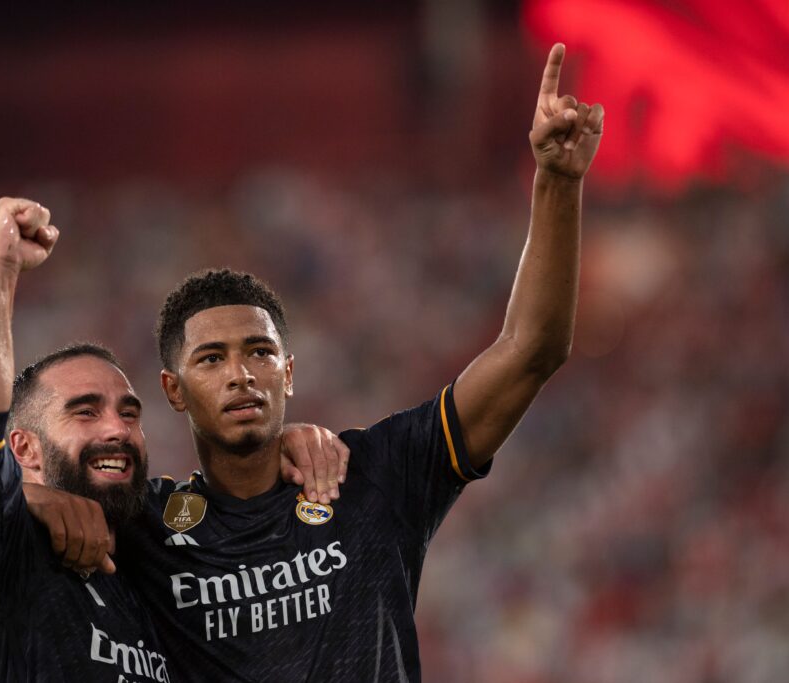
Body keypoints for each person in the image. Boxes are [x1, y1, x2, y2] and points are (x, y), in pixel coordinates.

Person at [114, 42, 603, 681]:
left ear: (288, 372)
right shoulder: (143, 530)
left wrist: (558, 184)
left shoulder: (375, 478)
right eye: (211, 358)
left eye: (260, 352)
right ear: (173, 390)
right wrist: (42, 505)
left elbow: (532, 349)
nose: (241, 373)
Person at [0, 197, 348, 681]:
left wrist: (276, 441)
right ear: (24, 449)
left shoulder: (150, 570)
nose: (116, 428)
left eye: (129, 412)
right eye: (85, 412)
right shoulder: (11, 558)